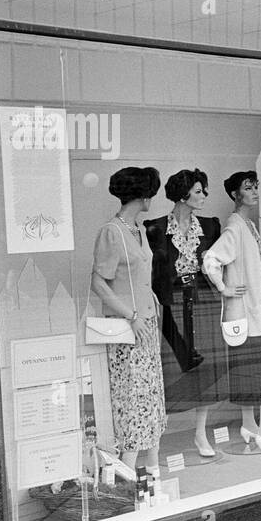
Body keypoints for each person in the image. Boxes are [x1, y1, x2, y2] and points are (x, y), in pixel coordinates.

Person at [202, 171, 261, 452]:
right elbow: (211, 259)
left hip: (254, 306)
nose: (254, 192)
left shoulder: (245, 224)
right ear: (234, 194)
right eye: (248, 188)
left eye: (256, 186)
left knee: (250, 368)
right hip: (248, 310)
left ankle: (250, 426)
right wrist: (223, 288)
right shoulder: (235, 226)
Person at [90, 167, 168, 481]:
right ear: (143, 194)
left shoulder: (136, 228)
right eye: (151, 192)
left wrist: (151, 308)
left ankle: (152, 468)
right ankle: (127, 469)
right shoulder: (112, 232)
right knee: (133, 399)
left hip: (147, 324)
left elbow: (140, 275)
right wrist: (130, 315)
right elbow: (98, 282)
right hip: (129, 328)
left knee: (151, 396)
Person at [146, 169, 226, 459]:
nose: (203, 196)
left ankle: (200, 432)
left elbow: (219, 262)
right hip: (171, 302)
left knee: (204, 366)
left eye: (204, 190)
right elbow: (151, 272)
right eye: (198, 191)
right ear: (183, 194)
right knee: (170, 366)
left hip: (202, 299)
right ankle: (158, 437)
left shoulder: (210, 226)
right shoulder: (154, 228)